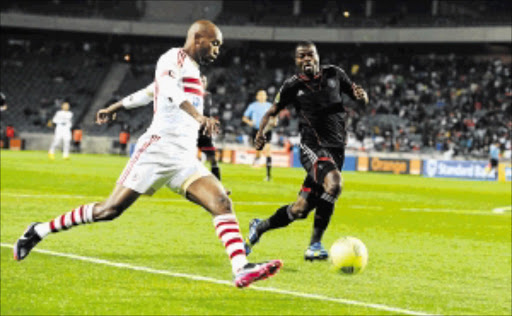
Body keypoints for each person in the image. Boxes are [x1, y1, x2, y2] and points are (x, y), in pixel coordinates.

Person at [13, 20, 282, 288]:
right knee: (109, 210)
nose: (217, 50)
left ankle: (241, 268)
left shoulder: (195, 72)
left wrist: (115, 106)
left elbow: (149, 92)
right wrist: (199, 116)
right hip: (156, 149)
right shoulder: (172, 57)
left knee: (221, 202)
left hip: (184, 158)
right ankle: (39, 230)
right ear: (198, 38)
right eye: (215, 43)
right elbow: (165, 90)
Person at [244, 41, 369, 261]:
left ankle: (259, 227)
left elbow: (360, 98)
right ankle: (314, 245)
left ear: (318, 56)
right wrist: (260, 133)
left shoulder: (335, 74)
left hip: (337, 149)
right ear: (296, 61)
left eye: (310, 55)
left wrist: (363, 97)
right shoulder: (292, 86)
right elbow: (272, 111)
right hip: (312, 147)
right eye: (301, 56)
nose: (306, 59)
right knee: (335, 183)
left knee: (300, 210)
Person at [99, 76, 222, 180]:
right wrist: (111, 109)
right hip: (173, 135)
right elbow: (139, 97)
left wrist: (208, 121)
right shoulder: (173, 87)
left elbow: (206, 112)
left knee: (210, 160)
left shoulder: (205, 96)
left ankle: (214, 185)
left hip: (198, 131)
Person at [242, 90, 274, 181]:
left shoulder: (269, 106)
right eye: (260, 95)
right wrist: (249, 122)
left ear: (266, 96)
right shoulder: (252, 106)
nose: (262, 96)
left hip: (267, 130)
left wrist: (274, 121)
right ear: (257, 96)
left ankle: (268, 176)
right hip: (256, 130)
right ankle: (257, 158)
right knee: (258, 151)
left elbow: (274, 117)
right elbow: (244, 117)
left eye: (263, 95)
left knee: (268, 150)